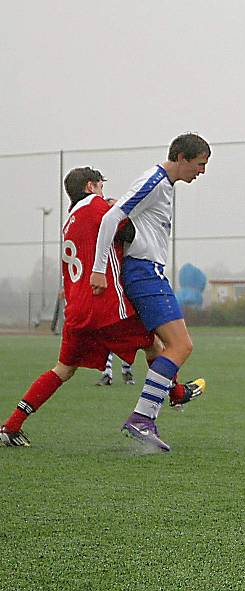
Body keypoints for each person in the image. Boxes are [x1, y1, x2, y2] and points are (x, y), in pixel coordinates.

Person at [0, 167, 203, 448]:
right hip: (104, 305)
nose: (104, 191)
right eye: (101, 186)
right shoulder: (96, 207)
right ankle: (174, 394)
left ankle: (11, 425)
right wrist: (126, 211)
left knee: (63, 369)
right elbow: (126, 228)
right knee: (158, 345)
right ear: (90, 186)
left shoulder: (70, 219)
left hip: (77, 310)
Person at [90, 133, 210, 452]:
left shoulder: (164, 185)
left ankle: (172, 396)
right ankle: (142, 418)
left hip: (146, 272)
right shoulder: (155, 180)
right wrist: (98, 269)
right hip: (145, 273)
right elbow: (110, 217)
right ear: (182, 158)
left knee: (157, 347)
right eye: (200, 164)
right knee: (181, 345)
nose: (202, 171)